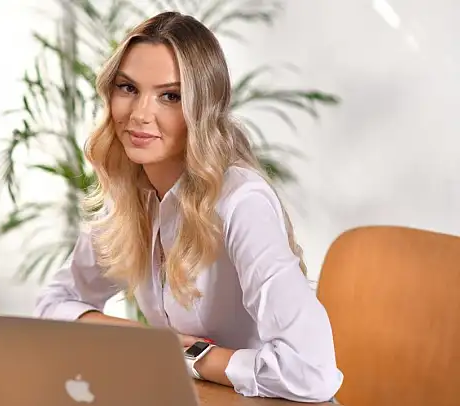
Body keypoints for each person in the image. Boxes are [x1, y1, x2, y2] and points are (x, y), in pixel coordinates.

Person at [33, 11, 343, 403]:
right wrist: (150, 342)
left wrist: (190, 356)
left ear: (203, 108)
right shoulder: (129, 195)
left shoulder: (241, 202)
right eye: (128, 88)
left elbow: (311, 371)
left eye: (170, 96)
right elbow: (53, 306)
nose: (140, 114)